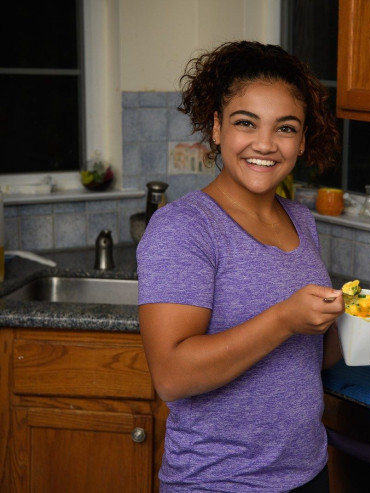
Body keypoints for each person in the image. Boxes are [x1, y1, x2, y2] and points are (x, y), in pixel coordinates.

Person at [136, 40, 344, 492]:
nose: (265, 144)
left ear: (303, 139)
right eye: (245, 123)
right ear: (216, 127)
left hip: (307, 472)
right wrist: (285, 319)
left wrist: (349, 323)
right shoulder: (184, 228)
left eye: (285, 128)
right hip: (220, 481)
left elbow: (314, 355)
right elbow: (171, 376)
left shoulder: (301, 221)